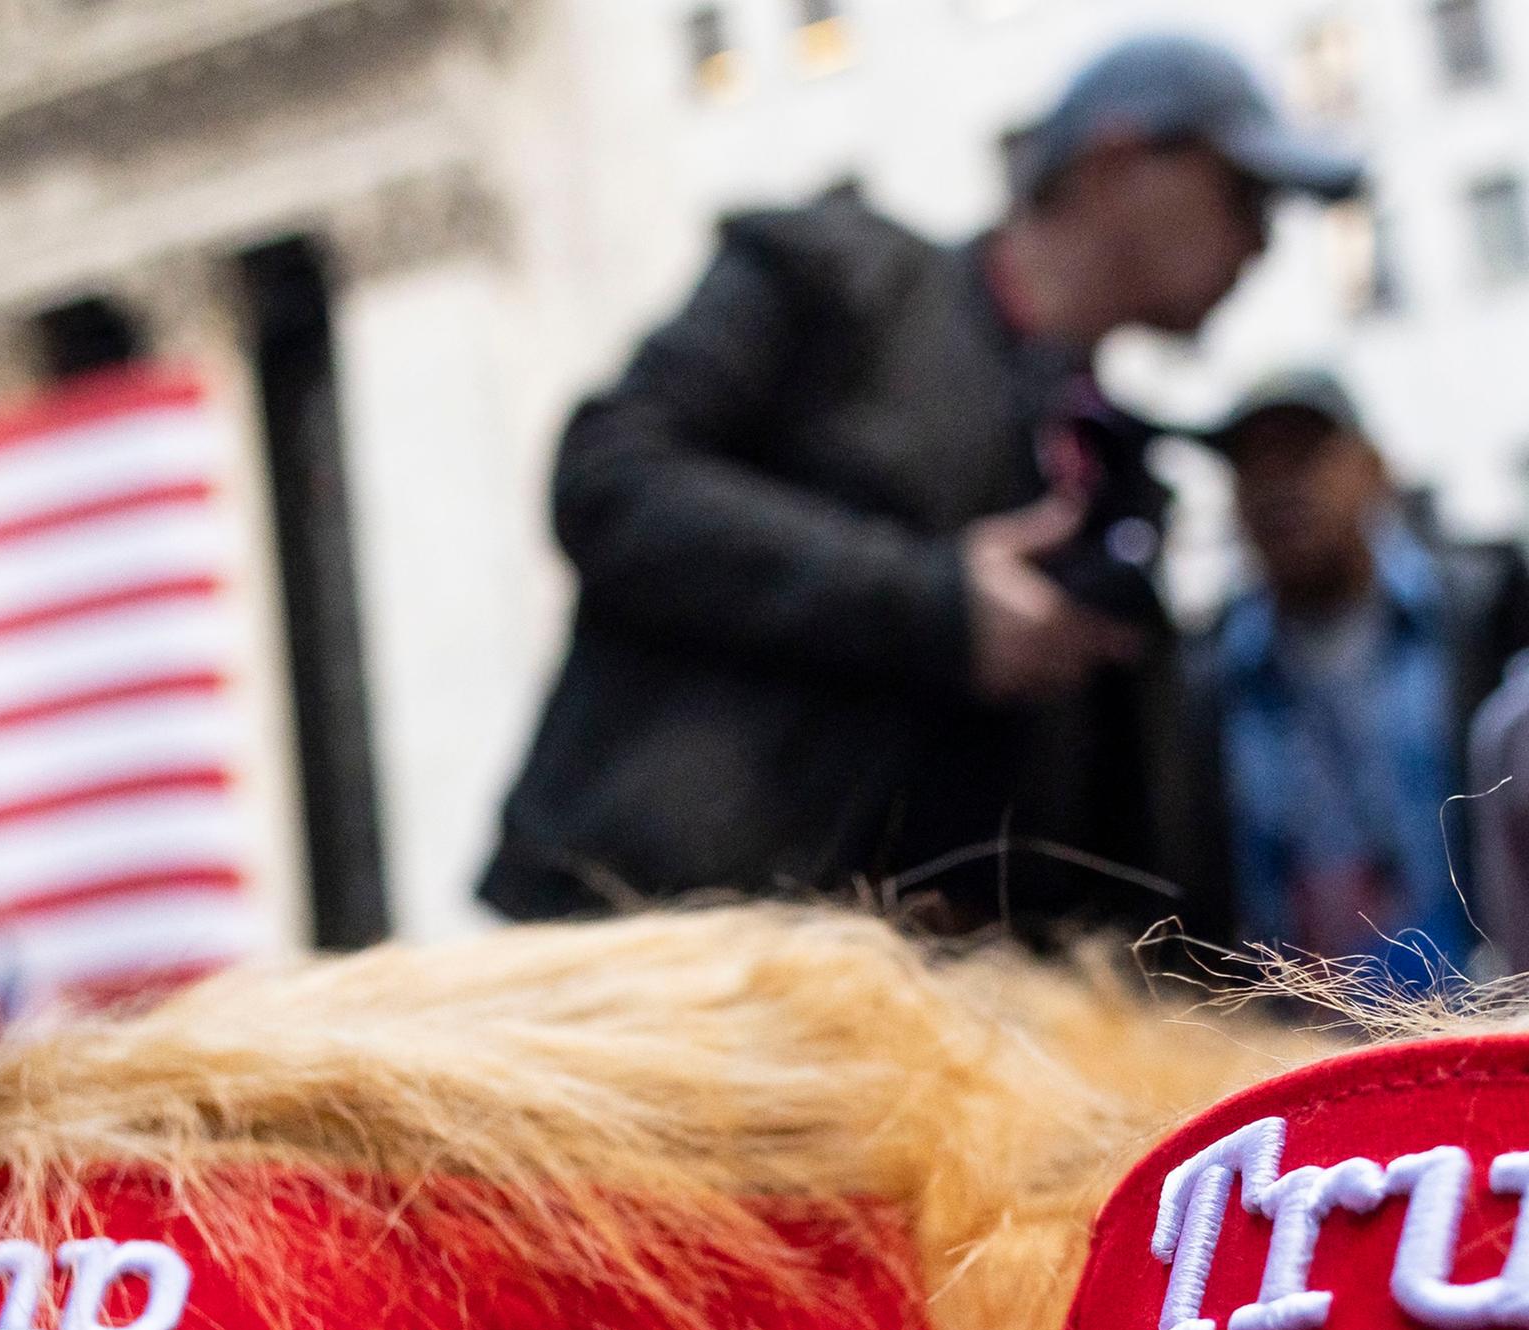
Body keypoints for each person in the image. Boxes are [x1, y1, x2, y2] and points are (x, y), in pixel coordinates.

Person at [483, 33, 1361, 934]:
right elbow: (609, 479)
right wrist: (932, 602)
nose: (1261, 242)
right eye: (1245, 195)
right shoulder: (834, 276)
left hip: (905, 992)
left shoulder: (1110, 458)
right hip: (657, 939)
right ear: (1117, 162)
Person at [1195, 368, 1529, 987]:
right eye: (1252, 466)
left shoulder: (1497, 611)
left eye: (1304, 455)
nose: (1277, 486)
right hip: (1294, 1035)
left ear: (1373, 470)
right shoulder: (1205, 674)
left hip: (1504, 1010)